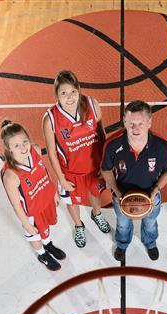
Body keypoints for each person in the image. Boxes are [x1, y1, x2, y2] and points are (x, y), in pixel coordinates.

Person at [101, 100, 167, 262]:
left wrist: (156, 190)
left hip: (151, 197)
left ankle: (150, 243)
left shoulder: (161, 146)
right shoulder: (113, 145)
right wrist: (117, 191)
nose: (135, 128)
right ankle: (122, 244)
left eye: (141, 123)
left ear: (149, 122)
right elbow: (106, 170)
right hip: (121, 197)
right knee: (122, 224)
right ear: (124, 121)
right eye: (131, 123)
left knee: (150, 223)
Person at [43, 70, 110, 248]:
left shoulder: (91, 104)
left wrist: (104, 162)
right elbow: (51, 153)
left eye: (73, 91)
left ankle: (97, 214)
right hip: (70, 171)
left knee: (96, 192)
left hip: (94, 165)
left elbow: (102, 133)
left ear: (79, 89)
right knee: (71, 200)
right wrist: (61, 179)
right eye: (63, 93)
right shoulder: (50, 119)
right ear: (56, 95)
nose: (70, 97)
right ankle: (79, 225)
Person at [0, 120, 66, 271]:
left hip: (44, 200)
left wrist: (53, 193)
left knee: (46, 227)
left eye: (24, 141)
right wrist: (27, 224)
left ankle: (48, 244)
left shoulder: (35, 150)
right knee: (34, 235)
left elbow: (45, 172)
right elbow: (16, 204)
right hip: (31, 212)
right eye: (17, 146)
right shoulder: (11, 176)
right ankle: (42, 254)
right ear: (8, 149)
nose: (23, 147)